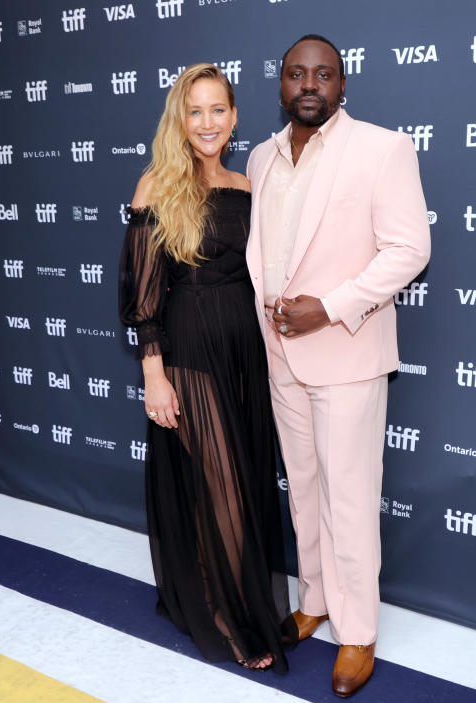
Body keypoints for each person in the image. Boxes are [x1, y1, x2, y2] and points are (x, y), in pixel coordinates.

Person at [246, 35, 431, 696]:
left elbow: (409, 248)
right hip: (280, 354)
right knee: (304, 487)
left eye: (324, 73)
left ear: (343, 84)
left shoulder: (383, 148)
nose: (310, 84)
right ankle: (315, 598)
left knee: (349, 498)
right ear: (281, 85)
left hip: (347, 351)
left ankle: (357, 631)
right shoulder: (262, 155)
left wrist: (328, 307)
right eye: (297, 73)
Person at [118, 63, 297, 673]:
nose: (207, 123)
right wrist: (154, 372)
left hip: (244, 349)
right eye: (194, 111)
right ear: (179, 118)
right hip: (190, 352)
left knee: (243, 480)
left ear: (235, 116)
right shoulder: (156, 188)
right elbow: (143, 295)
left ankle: (240, 597)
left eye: (217, 110)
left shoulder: (246, 185)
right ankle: (226, 616)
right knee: (218, 482)